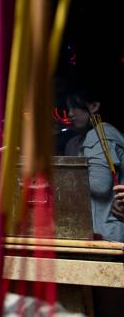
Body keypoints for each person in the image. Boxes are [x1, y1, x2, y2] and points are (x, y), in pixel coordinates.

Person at [65, 87, 124, 242]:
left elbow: (100, 185)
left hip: (106, 234)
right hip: (105, 232)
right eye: (68, 108)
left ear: (94, 106)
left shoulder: (100, 134)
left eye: (75, 107)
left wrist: (62, 177)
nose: (70, 113)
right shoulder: (86, 138)